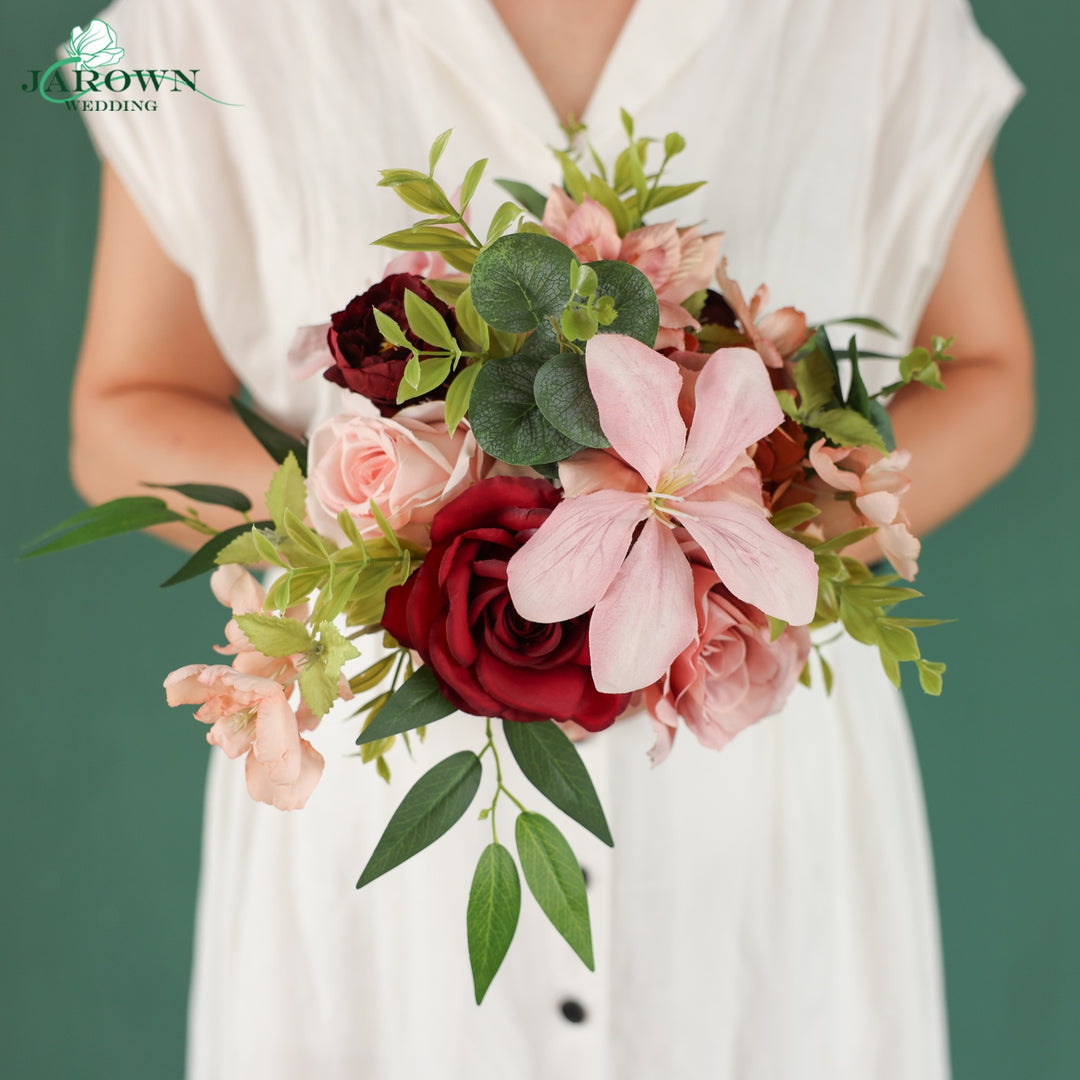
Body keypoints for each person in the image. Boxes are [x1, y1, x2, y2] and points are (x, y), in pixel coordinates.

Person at [69, 0, 1033, 1076]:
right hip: (382, 838)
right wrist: (419, 539)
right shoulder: (198, 27)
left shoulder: (882, 22)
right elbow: (120, 412)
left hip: (757, 822)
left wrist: (729, 553)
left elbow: (992, 376)